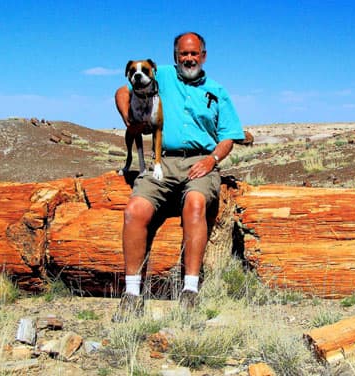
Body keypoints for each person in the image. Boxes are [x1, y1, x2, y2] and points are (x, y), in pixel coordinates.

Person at [112, 32, 244, 321]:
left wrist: (212, 160)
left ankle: (190, 291)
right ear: (175, 56)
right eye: (183, 54)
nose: (189, 59)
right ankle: (132, 294)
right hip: (164, 161)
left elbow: (229, 136)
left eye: (194, 53)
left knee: (195, 204)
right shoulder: (159, 76)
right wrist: (130, 120)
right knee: (135, 210)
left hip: (201, 162)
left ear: (203, 56)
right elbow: (123, 92)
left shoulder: (218, 90)